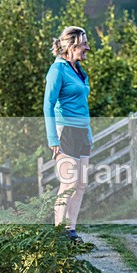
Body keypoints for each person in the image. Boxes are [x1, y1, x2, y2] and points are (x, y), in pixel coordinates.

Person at [43, 26, 92, 244]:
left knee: (81, 183)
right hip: (65, 132)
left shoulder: (79, 70)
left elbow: (83, 105)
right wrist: (52, 139)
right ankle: (58, 233)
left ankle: (71, 231)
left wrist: (88, 133)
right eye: (84, 44)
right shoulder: (57, 70)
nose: (87, 48)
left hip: (82, 133)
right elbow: (48, 105)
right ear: (71, 45)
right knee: (69, 183)